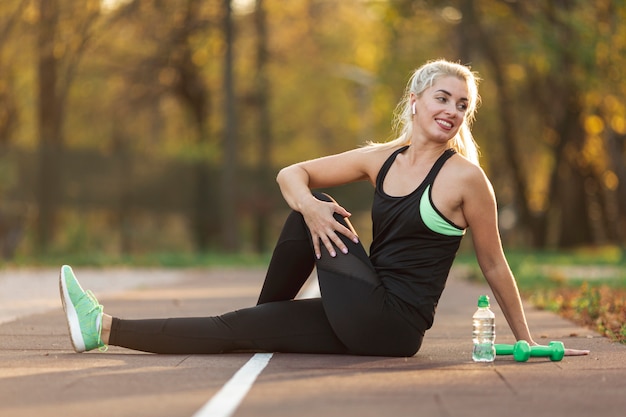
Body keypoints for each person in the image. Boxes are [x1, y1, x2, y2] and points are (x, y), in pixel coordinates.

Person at [60, 59, 589, 358]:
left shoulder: (466, 179)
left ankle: (265, 313)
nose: (451, 111)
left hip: (394, 323)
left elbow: (495, 264)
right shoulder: (381, 159)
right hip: (364, 309)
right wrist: (311, 208)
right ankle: (103, 328)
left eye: (462, 105)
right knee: (236, 320)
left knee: (316, 212)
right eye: (442, 98)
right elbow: (292, 174)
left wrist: (526, 338)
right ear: (416, 101)